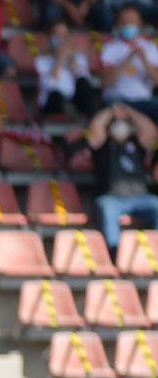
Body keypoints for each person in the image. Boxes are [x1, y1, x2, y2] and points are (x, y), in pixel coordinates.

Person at [86, 103, 158, 246]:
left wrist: (129, 111)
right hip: (111, 197)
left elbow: (151, 130)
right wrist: (112, 110)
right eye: (116, 123)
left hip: (140, 197)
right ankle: (115, 253)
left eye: (124, 123)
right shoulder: (103, 144)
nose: (120, 125)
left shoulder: (137, 144)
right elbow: (95, 125)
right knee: (108, 210)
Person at [100, 4, 158, 118]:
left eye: (131, 21)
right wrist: (128, 58)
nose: (127, 24)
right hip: (117, 100)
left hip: (144, 101)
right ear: (118, 24)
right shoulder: (110, 48)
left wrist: (144, 61)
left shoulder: (150, 47)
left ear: (140, 23)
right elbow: (106, 81)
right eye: (124, 21)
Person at [37, 19, 102, 119]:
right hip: (53, 100)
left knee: (84, 84)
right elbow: (49, 85)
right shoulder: (42, 60)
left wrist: (71, 60)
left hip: (73, 99)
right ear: (50, 37)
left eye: (64, 35)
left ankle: (91, 118)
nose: (61, 38)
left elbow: (84, 80)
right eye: (57, 35)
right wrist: (59, 59)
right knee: (56, 95)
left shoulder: (79, 58)